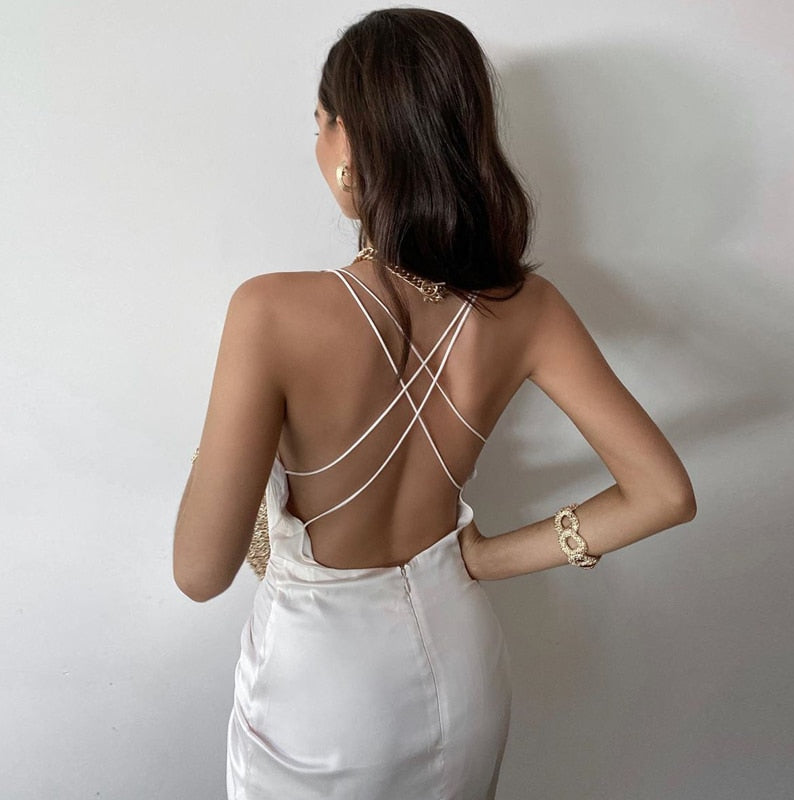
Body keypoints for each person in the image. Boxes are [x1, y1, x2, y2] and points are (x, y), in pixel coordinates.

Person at [172, 8, 697, 799]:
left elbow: (199, 571)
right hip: (463, 661)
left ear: (351, 143)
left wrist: (221, 453)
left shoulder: (270, 311)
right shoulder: (531, 309)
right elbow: (663, 492)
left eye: (319, 124)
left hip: (325, 692)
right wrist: (482, 558)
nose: (316, 146)